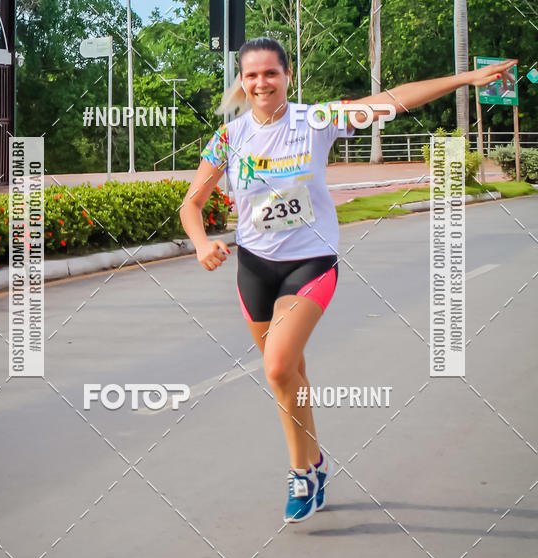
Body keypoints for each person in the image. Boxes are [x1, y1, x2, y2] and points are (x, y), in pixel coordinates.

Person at [179, 37, 516, 523]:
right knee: (289, 375)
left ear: (287, 75)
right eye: (251, 75)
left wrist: (463, 78)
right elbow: (191, 204)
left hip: (310, 261)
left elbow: (392, 99)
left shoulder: (314, 121)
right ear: (242, 81)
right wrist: (200, 243)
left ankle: (302, 470)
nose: (261, 83)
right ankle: (315, 467)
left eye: (270, 73)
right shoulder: (229, 137)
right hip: (254, 267)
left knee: (276, 368)